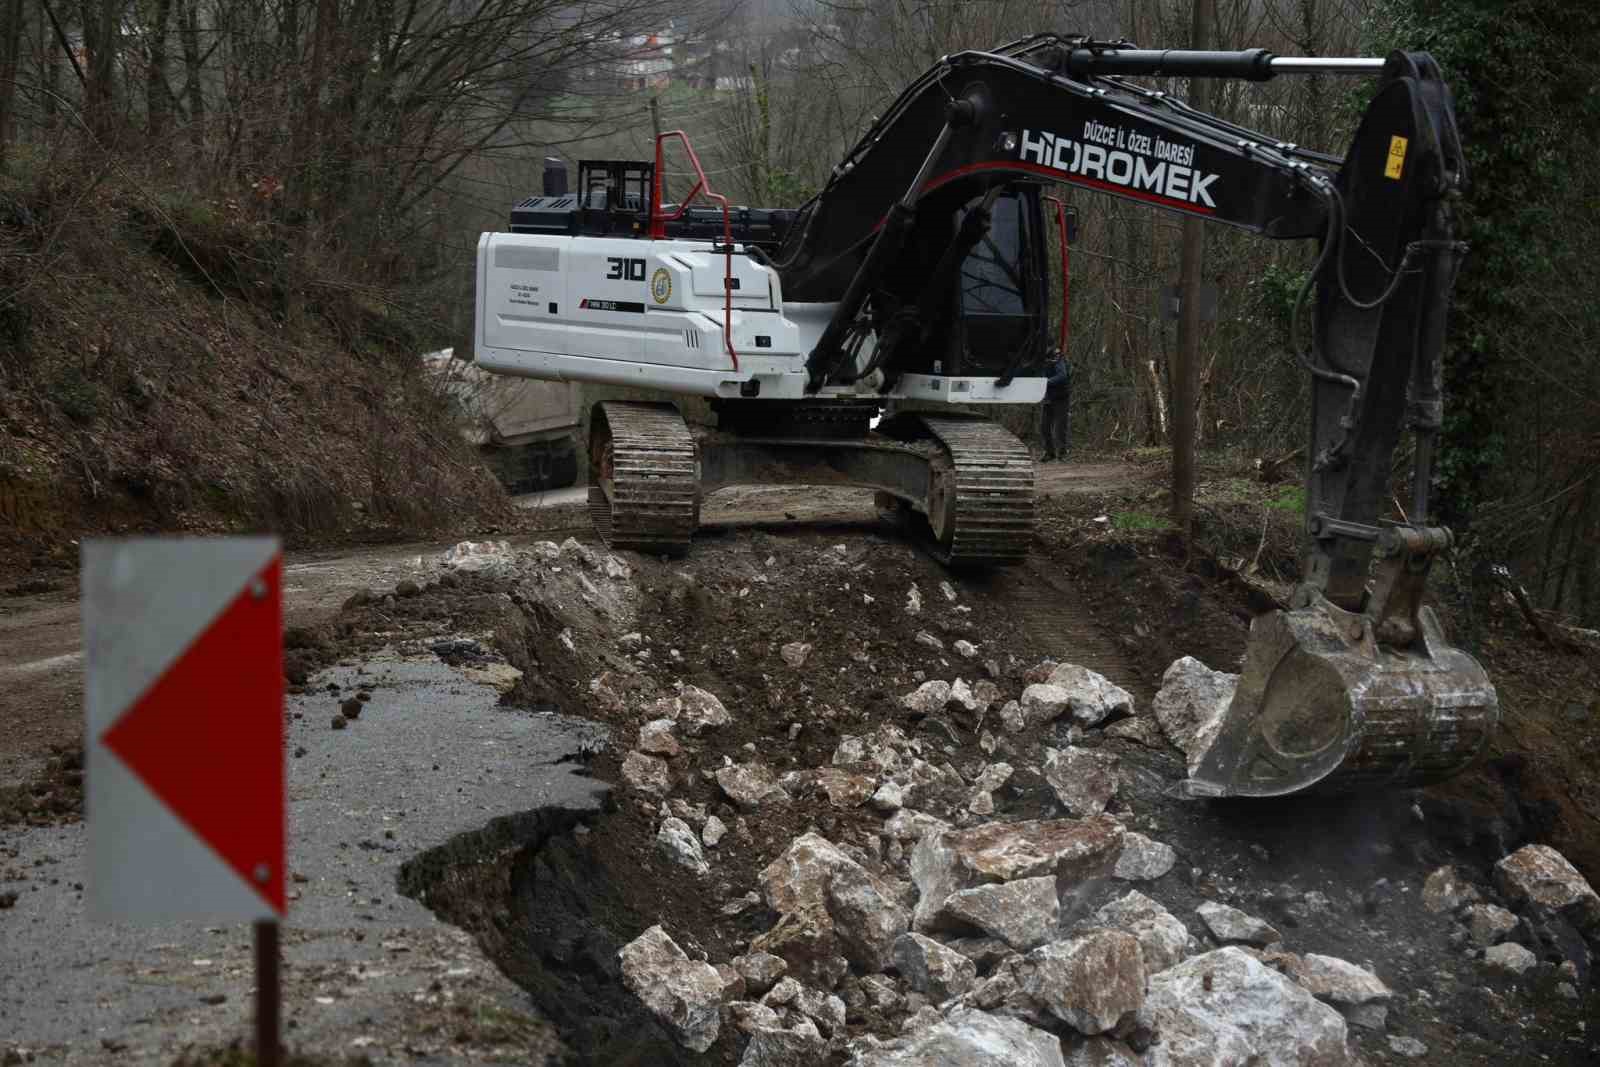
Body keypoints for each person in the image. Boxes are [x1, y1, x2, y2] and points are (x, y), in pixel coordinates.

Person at [1040, 351, 1072, 461]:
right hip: (1048, 398)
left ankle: (1062, 454)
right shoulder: (1040, 358)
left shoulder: (1058, 358)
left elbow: (1062, 376)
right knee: (1044, 427)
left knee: (1060, 427)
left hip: (1061, 398)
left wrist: (1046, 382)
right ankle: (1049, 453)